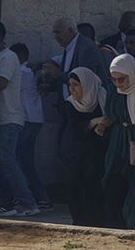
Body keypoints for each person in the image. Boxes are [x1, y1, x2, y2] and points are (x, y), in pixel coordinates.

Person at [0, 21, 39, 217]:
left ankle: (27, 203)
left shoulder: (9, 57)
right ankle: (7, 201)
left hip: (10, 119)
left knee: (8, 162)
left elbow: (1, 83)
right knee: (0, 162)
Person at [59, 68, 107, 226]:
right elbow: (74, 127)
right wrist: (93, 122)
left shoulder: (101, 97)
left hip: (96, 153)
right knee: (76, 187)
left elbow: (109, 118)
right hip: (74, 152)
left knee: (94, 187)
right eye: (70, 85)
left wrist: (103, 125)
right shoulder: (70, 104)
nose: (72, 89)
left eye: (76, 85)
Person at [93, 54, 135, 229]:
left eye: (122, 79)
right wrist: (103, 125)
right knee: (113, 183)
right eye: (115, 79)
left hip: (132, 138)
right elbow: (112, 114)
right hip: (118, 141)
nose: (119, 84)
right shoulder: (113, 91)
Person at [10, 43, 50, 210]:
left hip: (27, 119)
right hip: (34, 118)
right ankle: (40, 197)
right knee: (25, 160)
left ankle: (28, 196)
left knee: (17, 158)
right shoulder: (30, 71)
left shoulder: (22, 71)